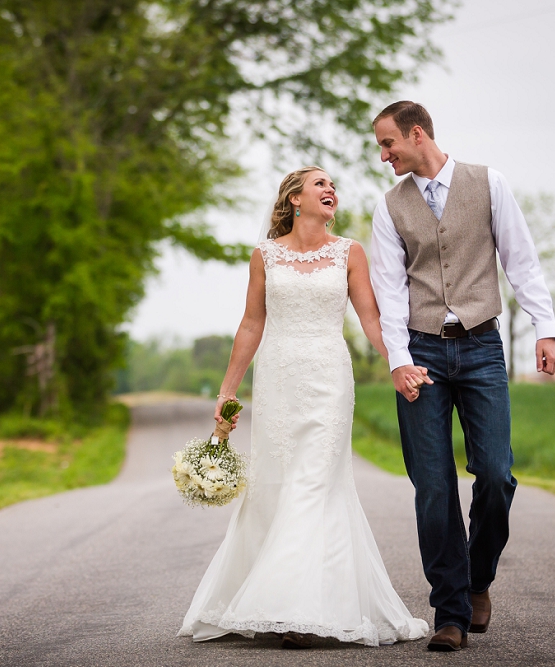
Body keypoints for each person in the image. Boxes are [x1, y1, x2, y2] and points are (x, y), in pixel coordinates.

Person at [179, 166, 430, 649]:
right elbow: (251, 324)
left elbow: (371, 318)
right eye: (319, 183)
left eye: (332, 184)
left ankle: (298, 608)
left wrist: (401, 365)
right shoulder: (265, 256)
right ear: (295, 199)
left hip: (329, 379)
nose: (330, 188)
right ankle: (271, 598)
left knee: (315, 482)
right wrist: (228, 392)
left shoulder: (350, 252)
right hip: (276, 379)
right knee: (278, 484)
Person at [368, 101, 555, 652]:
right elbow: (388, 291)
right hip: (422, 352)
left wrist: (544, 329)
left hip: (481, 347)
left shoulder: (488, 183)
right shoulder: (390, 208)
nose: (384, 156)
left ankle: (478, 579)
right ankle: (449, 611)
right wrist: (399, 361)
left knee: (496, 476)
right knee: (432, 487)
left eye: (388, 144)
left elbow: (520, 260)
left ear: (417, 133)